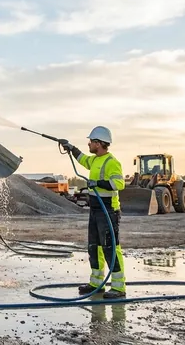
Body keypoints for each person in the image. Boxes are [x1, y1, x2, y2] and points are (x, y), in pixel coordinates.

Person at [60, 126, 127, 299]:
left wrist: (97, 183)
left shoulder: (111, 162)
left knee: (111, 248)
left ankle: (119, 287)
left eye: (91, 141)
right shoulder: (95, 160)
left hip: (108, 210)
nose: (89, 144)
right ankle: (97, 283)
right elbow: (83, 159)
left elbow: (119, 184)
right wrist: (71, 148)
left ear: (98, 143)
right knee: (94, 247)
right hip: (96, 210)